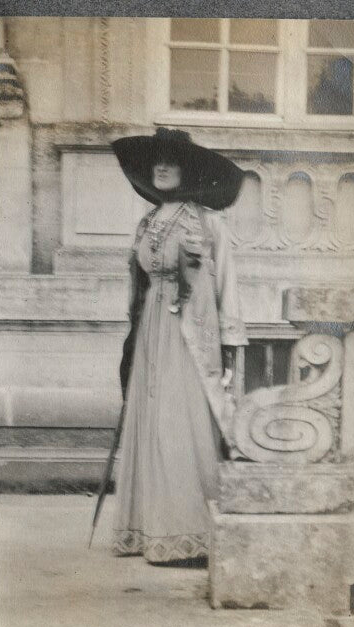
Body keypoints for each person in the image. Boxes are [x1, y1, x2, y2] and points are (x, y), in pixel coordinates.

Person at [110, 128, 247, 564]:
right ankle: (150, 529)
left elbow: (227, 286)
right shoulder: (146, 223)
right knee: (149, 422)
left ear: (187, 168)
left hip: (190, 335)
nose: (162, 166)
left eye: (171, 159)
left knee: (178, 424)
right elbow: (138, 286)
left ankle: (191, 533)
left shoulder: (209, 223)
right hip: (152, 330)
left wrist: (230, 343)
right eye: (157, 160)